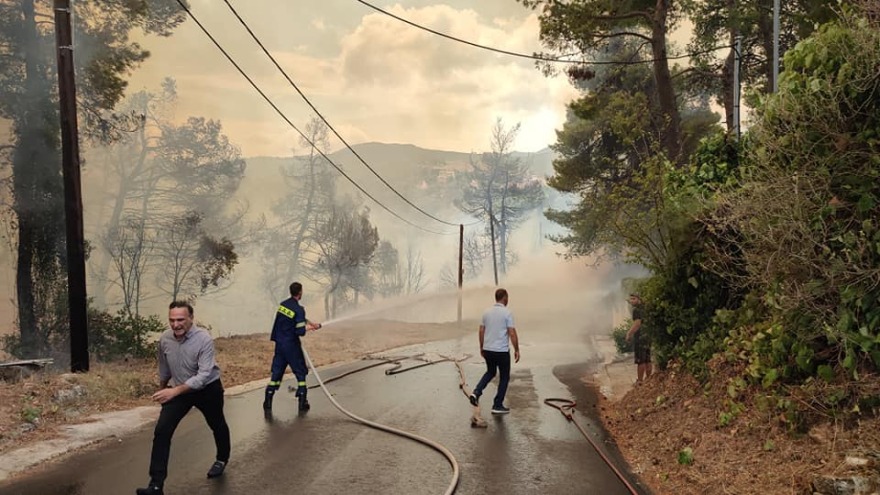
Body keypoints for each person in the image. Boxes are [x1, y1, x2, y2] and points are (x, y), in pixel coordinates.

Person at [136, 301, 231, 495]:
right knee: (162, 431)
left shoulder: (204, 339)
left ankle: (221, 459)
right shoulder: (165, 339)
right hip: (179, 390)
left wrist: (174, 391)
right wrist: (163, 389)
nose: (176, 324)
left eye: (180, 320)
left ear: (191, 318)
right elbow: (164, 367)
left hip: (207, 389)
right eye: (172, 320)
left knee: (217, 424)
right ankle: (156, 485)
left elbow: (204, 375)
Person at [263, 282, 321, 413]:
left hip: (280, 345)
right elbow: (299, 331)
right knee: (300, 372)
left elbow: (291, 318)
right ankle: (302, 400)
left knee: (277, 373)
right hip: (292, 346)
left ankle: (268, 400)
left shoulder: (283, 305)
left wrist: (311, 323)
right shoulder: (299, 309)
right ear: (300, 292)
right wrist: (310, 328)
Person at [468, 288, 520, 415]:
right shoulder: (507, 313)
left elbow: (481, 330)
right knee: (504, 377)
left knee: (490, 372)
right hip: (501, 351)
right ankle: (497, 405)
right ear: (505, 298)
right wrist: (517, 349)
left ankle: (476, 392)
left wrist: (482, 347)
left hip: (488, 350)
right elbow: (512, 333)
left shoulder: (486, 312)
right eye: (507, 298)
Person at [625, 293, 652, 383]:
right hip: (648, 335)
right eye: (631, 299)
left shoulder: (636, 310)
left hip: (640, 337)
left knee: (640, 360)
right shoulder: (645, 308)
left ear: (639, 299)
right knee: (647, 359)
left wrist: (629, 334)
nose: (632, 301)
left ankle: (640, 381)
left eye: (634, 299)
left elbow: (637, 324)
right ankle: (648, 379)